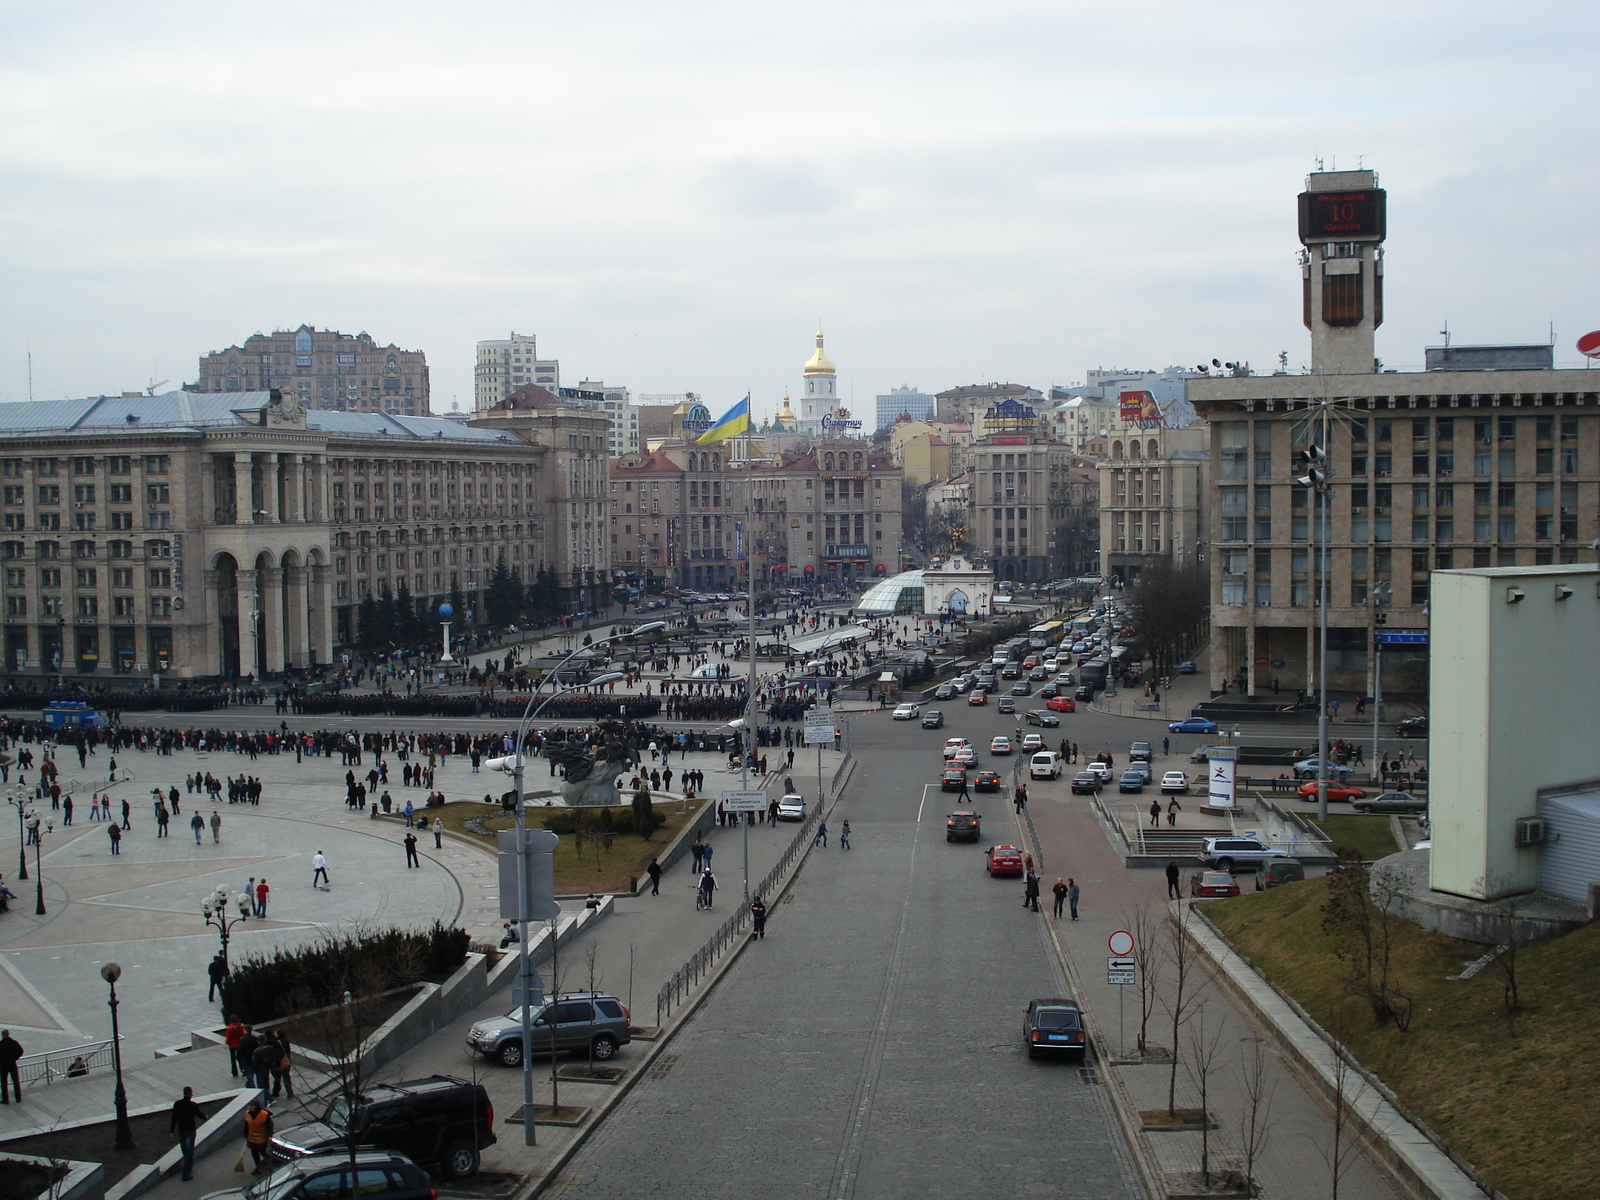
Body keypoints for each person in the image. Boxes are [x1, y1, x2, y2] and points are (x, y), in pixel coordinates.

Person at [170, 1086, 207, 1181]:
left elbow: (174, 1118)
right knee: (189, 1152)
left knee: (185, 1151)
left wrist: (172, 1130)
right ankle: (186, 1174)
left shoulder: (177, 1104)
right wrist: (205, 1117)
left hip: (181, 1130)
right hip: (190, 1130)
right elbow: (199, 1114)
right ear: (190, 1094)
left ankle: (188, 1167)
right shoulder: (192, 1105)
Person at [242, 1097, 273, 1173]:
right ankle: (258, 1168)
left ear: (256, 1106)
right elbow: (246, 1124)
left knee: (263, 1152)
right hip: (252, 1139)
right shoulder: (247, 1114)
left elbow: (270, 1124)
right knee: (254, 1153)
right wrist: (245, 1132)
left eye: (252, 1106)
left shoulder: (264, 1114)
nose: (251, 1108)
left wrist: (269, 1133)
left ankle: (271, 1163)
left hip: (262, 1138)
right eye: (250, 1106)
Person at [0, 1029, 22, 1104]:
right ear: (8, 1034)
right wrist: (15, 1058)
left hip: (3, 1065)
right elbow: (21, 1051)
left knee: (3, 1082)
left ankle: (5, 1099)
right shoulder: (14, 1043)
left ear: (2, 1035)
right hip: (12, 1064)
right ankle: (18, 1097)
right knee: (16, 1081)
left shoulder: (1, 1044)